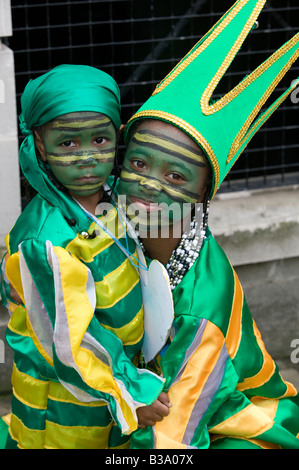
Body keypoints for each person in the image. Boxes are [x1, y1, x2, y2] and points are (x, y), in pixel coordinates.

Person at [117, 0, 299, 449]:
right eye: (138, 161)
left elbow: (173, 439)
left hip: (232, 419)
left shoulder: (200, 307)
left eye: (175, 175)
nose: (148, 184)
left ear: (203, 196)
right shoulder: (115, 232)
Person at [0, 64, 170, 449]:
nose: (87, 158)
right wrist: (128, 393)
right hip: (67, 401)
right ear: (40, 144)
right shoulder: (44, 242)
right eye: (68, 144)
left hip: (116, 380)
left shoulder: (113, 197)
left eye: (99, 140)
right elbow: (69, 342)